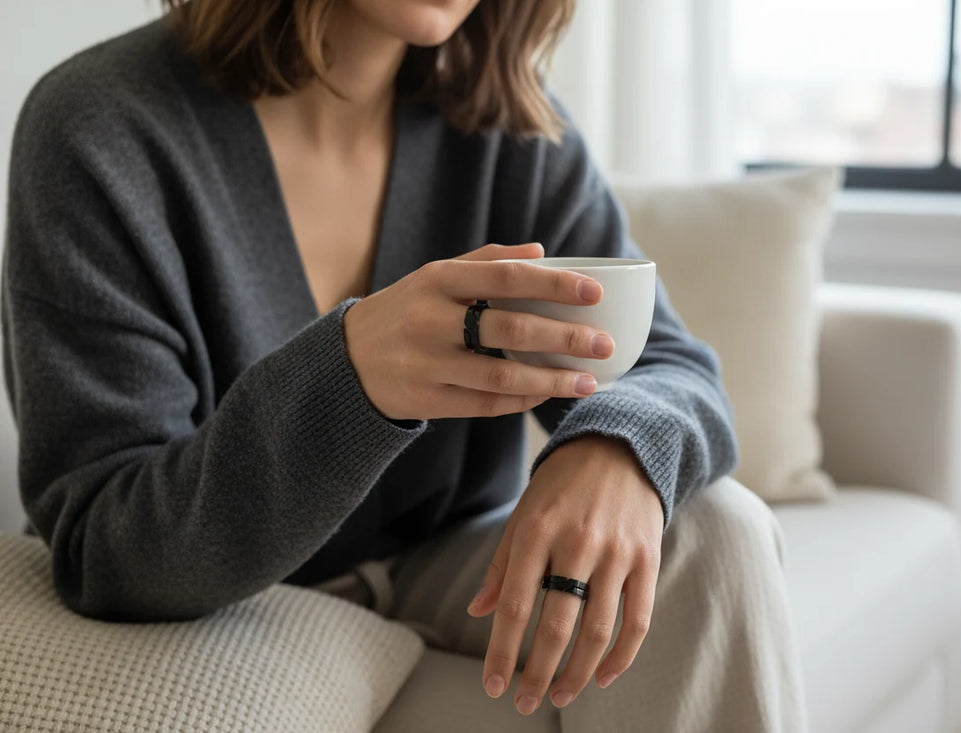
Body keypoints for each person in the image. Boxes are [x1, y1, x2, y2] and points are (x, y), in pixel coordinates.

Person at [2, 0, 805, 729]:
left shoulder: (510, 132)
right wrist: (350, 380)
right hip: (227, 598)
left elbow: (674, 366)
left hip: (448, 560)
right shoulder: (99, 127)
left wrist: (617, 446)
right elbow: (100, 541)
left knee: (717, 533)